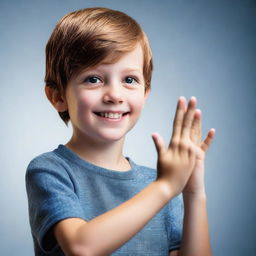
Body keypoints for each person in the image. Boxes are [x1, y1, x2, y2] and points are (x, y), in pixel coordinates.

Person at [25, 7, 215, 256]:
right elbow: (81, 247)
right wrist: (167, 187)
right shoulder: (50, 170)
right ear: (58, 97)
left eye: (129, 80)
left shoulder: (156, 182)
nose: (115, 95)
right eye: (94, 79)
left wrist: (193, 192)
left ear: (145, 93)